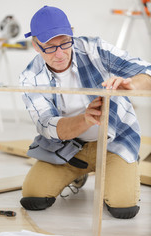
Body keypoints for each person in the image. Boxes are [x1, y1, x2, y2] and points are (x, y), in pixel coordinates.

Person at [19, 5, 151, 219]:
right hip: (67, 148)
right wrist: (86, 119)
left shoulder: (95, 48)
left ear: (71, 33)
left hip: (113, 141)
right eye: (50, 47)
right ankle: (77, 174)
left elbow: (147, 71)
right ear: (35, 45)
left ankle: (115, 170)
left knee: (123, 209)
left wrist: (132, 85)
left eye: (64, 43)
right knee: (33, 197)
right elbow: (47, 126)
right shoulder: (30, 78)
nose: (60, 54)